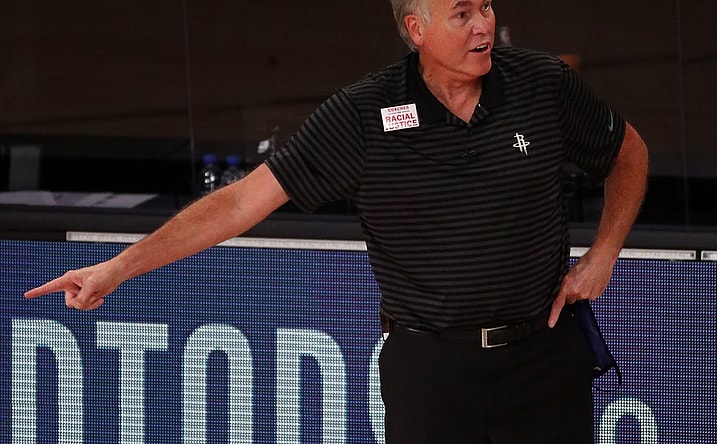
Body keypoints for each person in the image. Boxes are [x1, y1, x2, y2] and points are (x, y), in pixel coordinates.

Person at [25, 0, 649, 442]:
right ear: (417, 28)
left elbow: (629, 154)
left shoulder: (542, 84)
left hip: (542, 362)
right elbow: (242, 203)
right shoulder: (365, 113)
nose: (483, 24)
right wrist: (118, 267)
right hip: (430, 372)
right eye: (461, 13)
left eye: (485, 7)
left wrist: (604, 254)